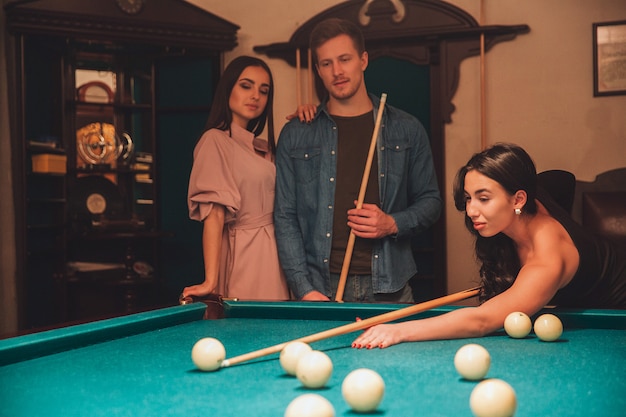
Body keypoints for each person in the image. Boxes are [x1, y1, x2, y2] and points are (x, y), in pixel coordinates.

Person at [352, 143, 626, 348]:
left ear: (518, 200)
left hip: (615, 306)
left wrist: (398, 331)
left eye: (484, 198)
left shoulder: (547, 259)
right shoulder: (533, 193)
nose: (471, 210)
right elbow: (562, 177)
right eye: (469, 198)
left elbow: (481, 321)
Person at [274, 18, 442, 302]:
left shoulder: (407, 128)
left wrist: (392, 223)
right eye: (326, 63)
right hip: (321, 289)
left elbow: (431, 202)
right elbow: (285, 216)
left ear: (363, 60)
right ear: (318, 70)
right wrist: (303, 288)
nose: (337, 71)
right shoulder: (296, 134)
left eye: (344, 59)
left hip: (392, 287)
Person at [182, 56, 290, 301]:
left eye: (264, 91)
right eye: (246, 86)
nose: (255, 96)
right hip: (246, 256)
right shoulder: (215, 140)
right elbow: (214, 214)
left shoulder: (263, 148)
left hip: (278, 255)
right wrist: (210, 280)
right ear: (228, 88)